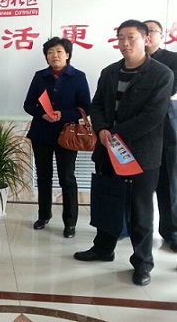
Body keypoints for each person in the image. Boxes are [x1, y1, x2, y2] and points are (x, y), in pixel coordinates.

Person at [74, 20, 173, 287]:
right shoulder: (109, 72)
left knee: (140, 210)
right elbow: (96, 105)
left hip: (142, 154)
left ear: (146, 39)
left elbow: (153, 115)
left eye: (131, 37)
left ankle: (142, 263)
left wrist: (115, 134)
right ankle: (103, 248)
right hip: (108, 150)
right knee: (108, 202)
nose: (125, 43)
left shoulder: (161, 74)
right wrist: (102, 129)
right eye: (120, 38)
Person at [23, 37, 91, 238]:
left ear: (67, 54)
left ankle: (70, 222)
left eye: (59, 51)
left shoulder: (78, 77)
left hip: (67, 134)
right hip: (42, 133)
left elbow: (85, 107)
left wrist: (64, 114)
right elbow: (28, 104)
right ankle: (44, 215)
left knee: (67, 178)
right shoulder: (40, 76)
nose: (55, 55)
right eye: (50, 52)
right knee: (43, 177)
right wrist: (42, 114)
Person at [144, 19, 177, 252]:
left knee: (169, 183)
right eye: (143, 31)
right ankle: (131, 228)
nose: (147, 35)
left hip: (167, 129)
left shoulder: (173, 60)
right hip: (137, 131)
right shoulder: (129, 62)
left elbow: (170, 91)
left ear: (161, 35)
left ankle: (171, 231)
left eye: (152, 31)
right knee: (136, 185)